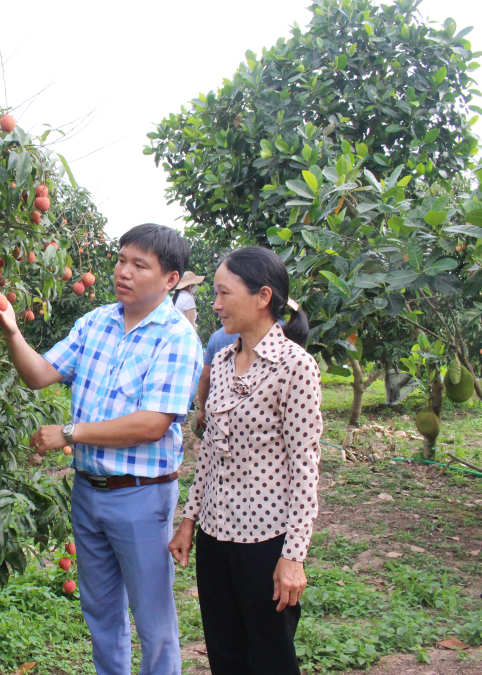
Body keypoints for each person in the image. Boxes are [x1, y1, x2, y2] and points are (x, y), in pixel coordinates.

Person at [0, 224, 204, 675]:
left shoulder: (177, 338)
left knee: (153, 622)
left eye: (139, 265)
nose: (123, 271)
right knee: (101, 614)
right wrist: (11, 331)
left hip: (141, 495)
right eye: (121, 260)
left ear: (170, 279)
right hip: (89, 492)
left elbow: (152, 423)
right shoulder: (95, 322)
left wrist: (70, 433)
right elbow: (41, 374)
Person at [168, 246, 323, 675]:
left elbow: (305, 466)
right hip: (216, 537)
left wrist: (293, 556)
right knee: (226, 654)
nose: (215, 304)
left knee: (270, 658)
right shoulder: (220, 361)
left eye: (223, 293)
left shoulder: (296, 367)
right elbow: (211, 454)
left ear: (262, 296)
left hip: (266, 541)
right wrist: (189, 520)